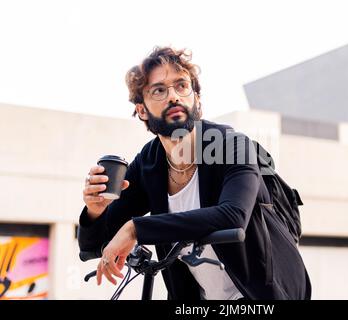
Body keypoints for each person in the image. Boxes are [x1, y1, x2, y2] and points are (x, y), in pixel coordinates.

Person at [78, 46, 311, 300]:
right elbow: (93, 246)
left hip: (263, 294)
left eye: (181, 86)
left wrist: (135, 229)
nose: (174, 96)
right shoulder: (149, 164)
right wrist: (95, 209)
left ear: (196, 99)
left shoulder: (231, 145)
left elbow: (233, 216)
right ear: (142, 110)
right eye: (159, 90)